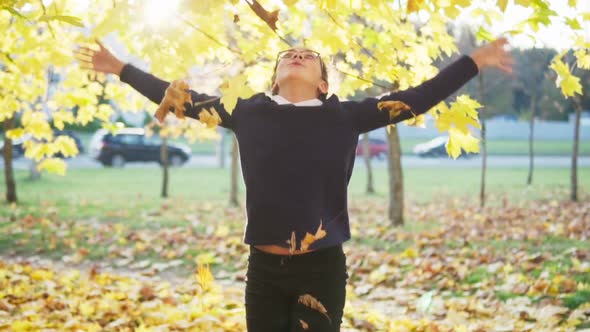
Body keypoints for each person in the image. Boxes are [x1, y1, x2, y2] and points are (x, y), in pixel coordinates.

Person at [77, 38, 513, 331]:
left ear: (323, 83)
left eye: (308, 55)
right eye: (288, 55)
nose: (296, 55)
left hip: (321, 269)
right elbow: (177, 98)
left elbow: (420, 96)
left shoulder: (347, 115)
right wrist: (120, 67)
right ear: (275, 78)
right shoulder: (246, 111)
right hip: (263, 271)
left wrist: (475, 60)